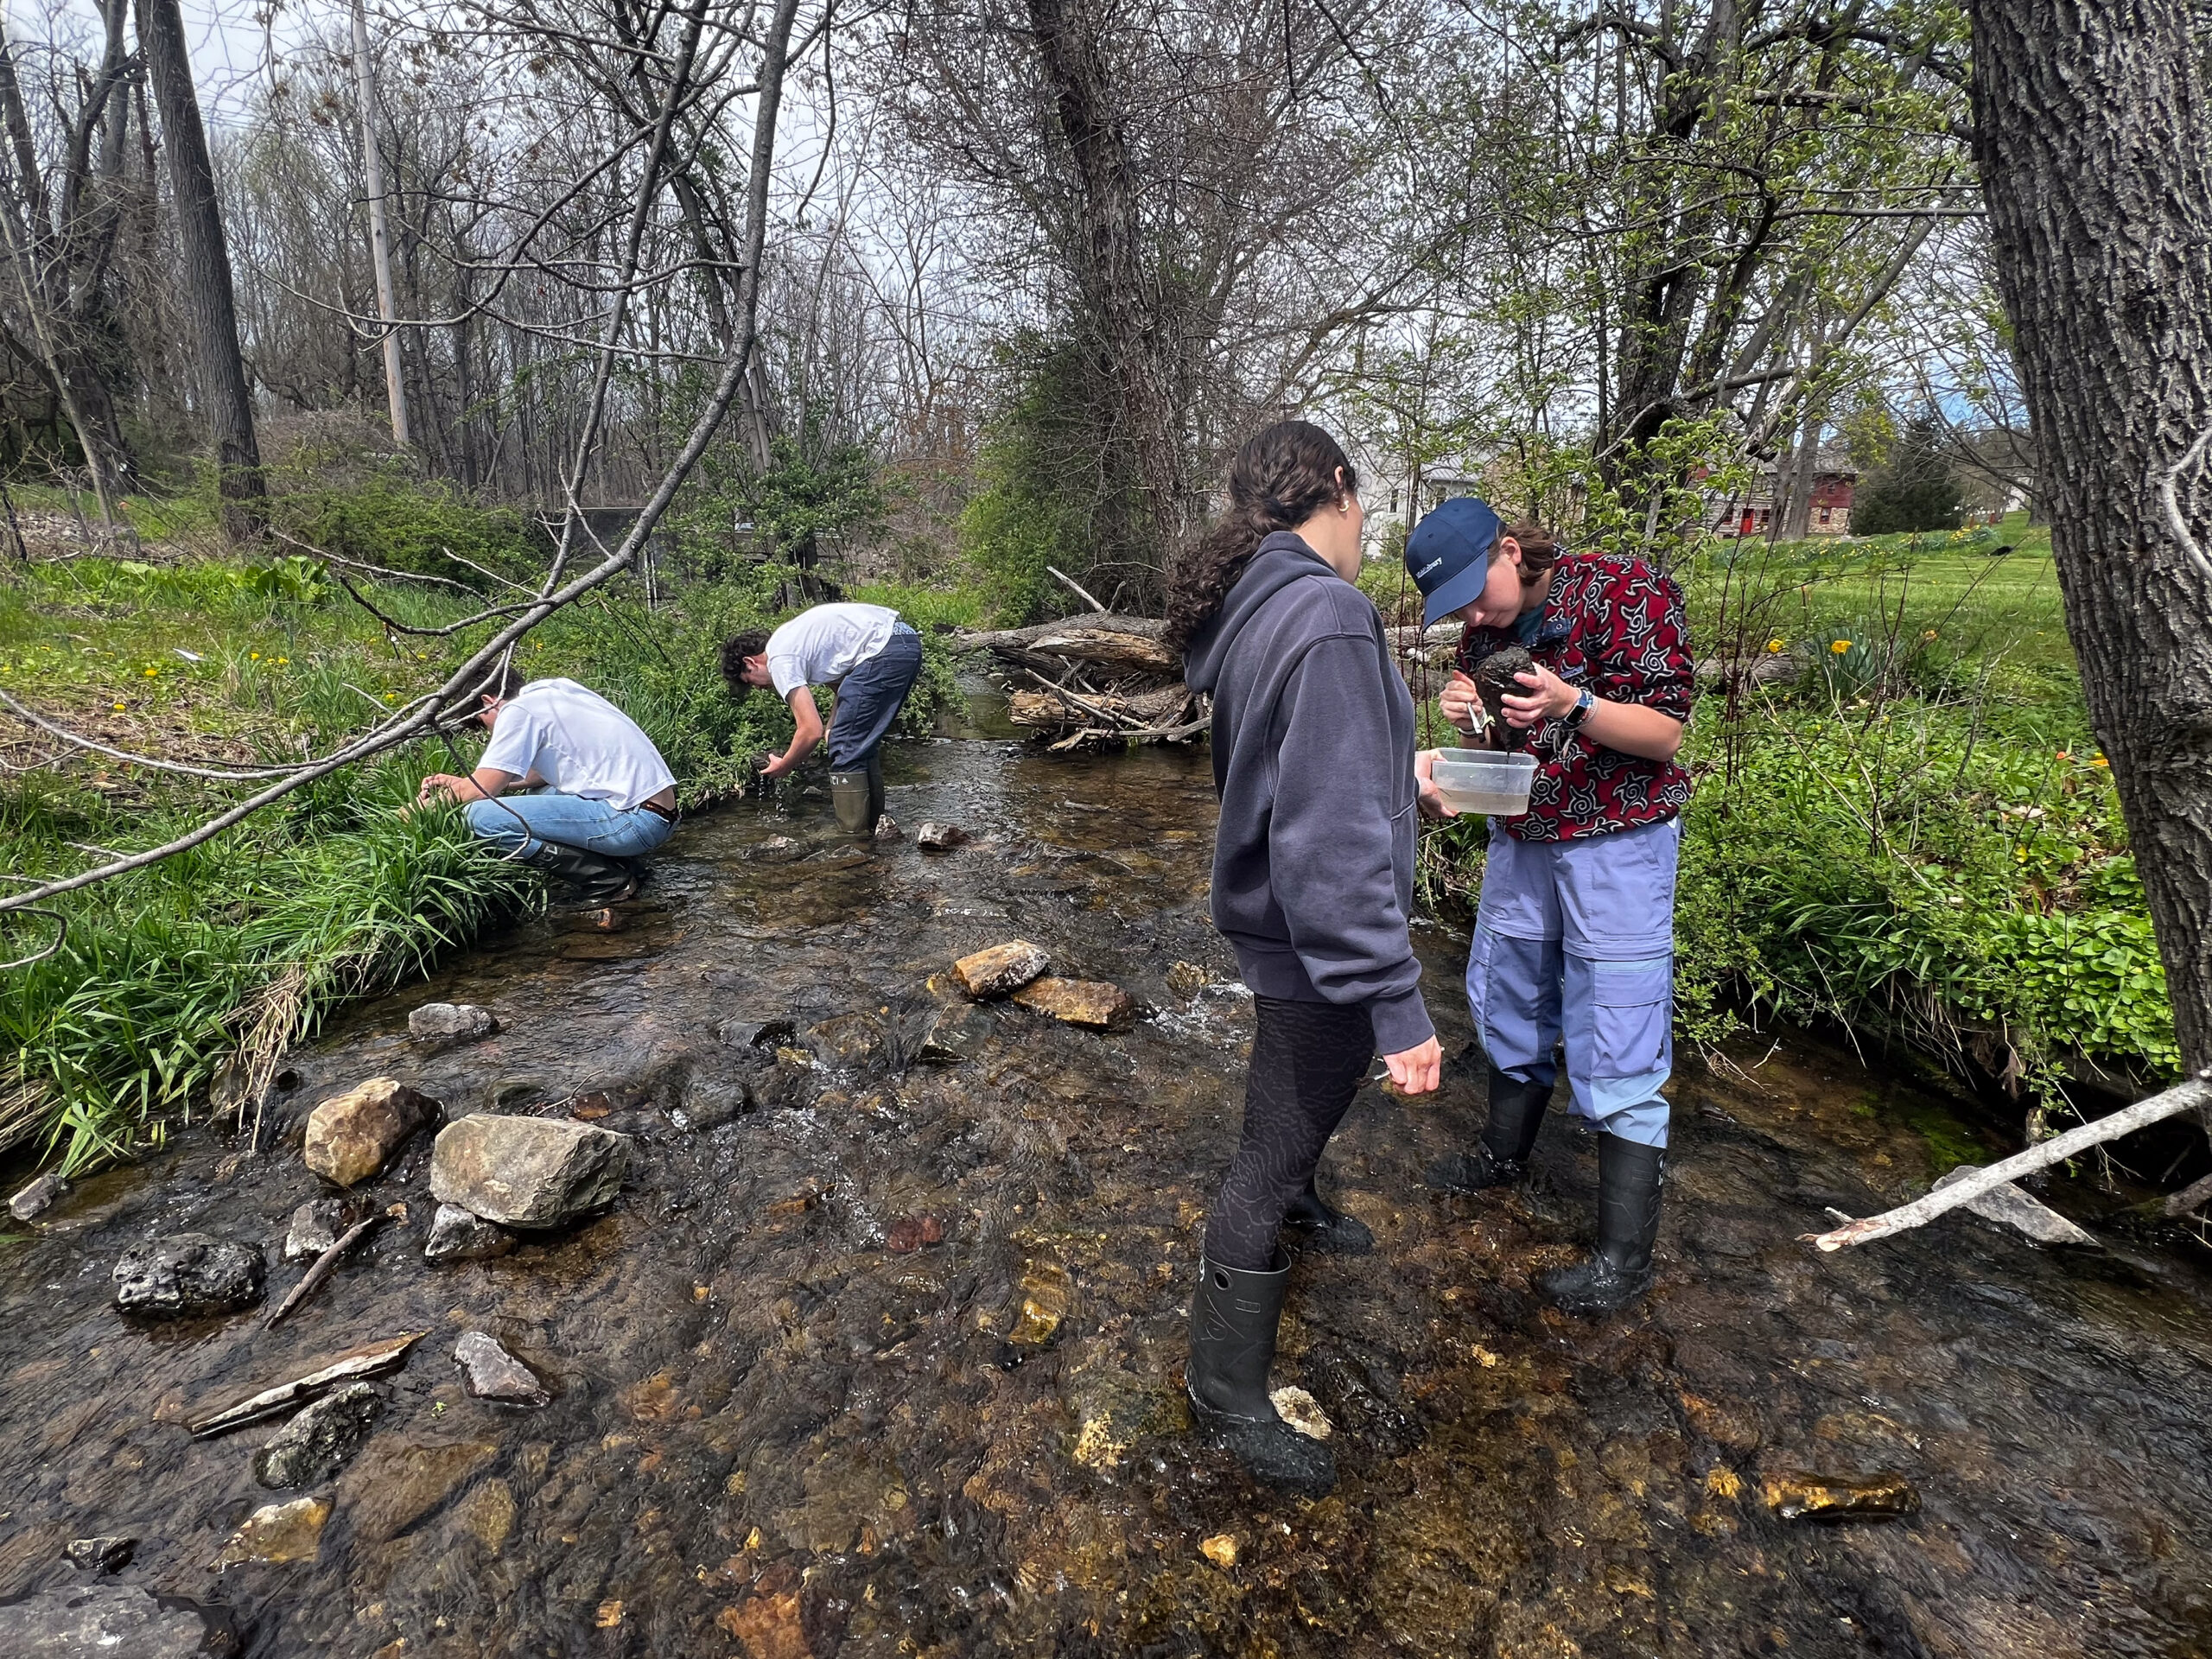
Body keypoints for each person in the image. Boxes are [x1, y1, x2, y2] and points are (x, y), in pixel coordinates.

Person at [1168, 420, 1443, 1498]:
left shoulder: (1261, 603)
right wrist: (1398, 1005)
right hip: (1310, 938)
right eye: (1364, 502)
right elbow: (1327, 842)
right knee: (1265, 1154)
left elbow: (1297, 770)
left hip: (1277, 921)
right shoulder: (1326, 613)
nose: (1368, 527)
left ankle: (1303, 1203)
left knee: (1291, 1114)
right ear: (1337, 486)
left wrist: (1394, 773)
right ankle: (1223, 1393)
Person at [1405, 496, 1694, 1314]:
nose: (1470, 616)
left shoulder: (1626, 591)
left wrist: (1575, 704)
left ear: (1509, 550)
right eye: (1454, 607)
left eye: (1473, 593)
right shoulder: (1483, 637)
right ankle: (1503, 1158)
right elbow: (1498, 753)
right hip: (1525, 838)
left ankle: (1622, 1260)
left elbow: (1666, 735)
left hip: (1619, 842)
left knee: (1617, 1021)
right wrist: (1469, 722)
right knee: (1510, 993)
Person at [416, 664, 678, 905]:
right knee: (539, 792)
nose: (489, 732)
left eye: (481, 723)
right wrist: (465, 783)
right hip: (657, 814)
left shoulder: (517, 711)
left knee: (476, 818)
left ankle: (605, 879)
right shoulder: (558, 690)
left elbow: (480, 791)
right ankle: (628, 867)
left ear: (487, 702)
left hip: (632, 822)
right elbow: (543, 775)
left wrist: (415, 811)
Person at [721, 602, 924, 837]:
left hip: (883, 649)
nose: (758, 688)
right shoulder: (790, 640)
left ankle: (853, 840)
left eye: (750, 681)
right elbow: (843, 687)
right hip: (904, 641)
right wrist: (832, 725)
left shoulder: (780, 660)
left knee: (846, 746)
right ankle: (876, 829)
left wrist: (786, 765)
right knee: (858, 745)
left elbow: (810, 730)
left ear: (750, 663)